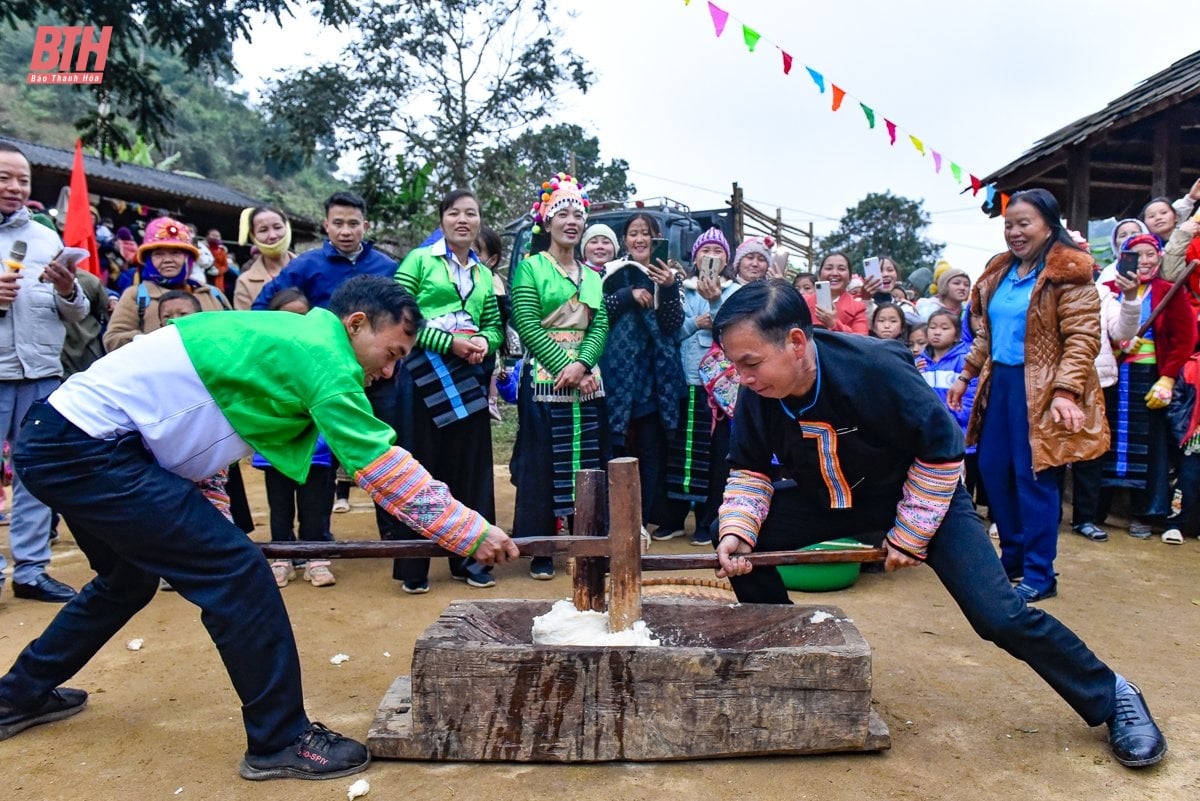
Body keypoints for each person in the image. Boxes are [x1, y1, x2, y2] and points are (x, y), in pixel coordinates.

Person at [0, 274, 519, 779]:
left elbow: (196, 441)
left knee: (126, 580)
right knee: (237, 574)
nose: (388, 373)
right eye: (393, 354)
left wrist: (211, 521)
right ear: (357, 324)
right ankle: (279, 739)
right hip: (86, 449)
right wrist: (469, 531)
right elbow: (378, 465)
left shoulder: (286, 337)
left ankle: (17, 697)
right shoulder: (321, 353)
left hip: (66, 440)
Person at [711, 278, 1167, 769]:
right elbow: (751, 469)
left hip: (924, 494)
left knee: (999, 615)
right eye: (737, 363)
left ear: (797, 342)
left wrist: (911, 533)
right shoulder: (758, 392)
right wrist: (737, 528)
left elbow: (943, 449)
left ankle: (1111, 694)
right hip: (833, 498)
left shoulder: (876, 367)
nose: (743, 375)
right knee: (742, 545)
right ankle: (791, 672)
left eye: (750, 362)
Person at [949, 188, 1108, 603]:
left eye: (1025, 223)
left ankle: (1040, 573)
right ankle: (1014, 560)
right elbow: (985, 333)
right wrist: (965, 375)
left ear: (1049, 225)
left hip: (1043, 389)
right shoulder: (1000, 272)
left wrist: (1066, 391)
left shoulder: (1070, 271)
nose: (1015, 232)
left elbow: (1083, 338)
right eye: (1009, 225)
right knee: (994, 469)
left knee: (1034, 477)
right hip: (1000, 384)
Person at [390, 189, 502, 593]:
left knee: (470, 469)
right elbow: (399, 317)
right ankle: (414, 567)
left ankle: (472, 559)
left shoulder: (485, 275)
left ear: (478, 222)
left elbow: (493, 324)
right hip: (422, 376)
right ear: (441, 220)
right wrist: (448, 343)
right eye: (454, 213)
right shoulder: (419, 261)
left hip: (468, 377)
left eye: (470, 213)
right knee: (420, 468)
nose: (463, 220)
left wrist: (485, 342)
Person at [0, 142, 90, 604]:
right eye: (4, 178)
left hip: (40, 374)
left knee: (36, 473)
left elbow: (76, 315)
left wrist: (68, 287)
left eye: (23, 181)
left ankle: (31, 570)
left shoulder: (45, 238)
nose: (15, 188)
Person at [510, 173, 608, 579]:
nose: (571, 221)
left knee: (588, 462)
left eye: (577, 215)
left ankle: (587, 542)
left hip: (588, 380)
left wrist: (582, 365)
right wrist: (562, 365)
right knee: (542, 464)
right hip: (545, 378)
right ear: (546, 222)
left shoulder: (593, 276)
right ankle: (542, 549)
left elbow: (599, 326)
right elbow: (527, 323)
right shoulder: (531, 268)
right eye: (562, 214)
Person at [1097, 234, 1196, 538]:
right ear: (1124, 258)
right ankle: (1097, 509)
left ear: (1160, 255)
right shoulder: (1108, 291)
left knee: (1149, 446)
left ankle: (1144, 512)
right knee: (1108, 441)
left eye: (1151, 253)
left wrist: (1167, 377)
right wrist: (1116, 347)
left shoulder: (1170, 291)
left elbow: (1185, 338)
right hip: (1114, 376)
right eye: (1136, 254)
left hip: (1150, 377)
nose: (1144, 260)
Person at [600, 212, 686, 540]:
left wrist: (665, 288)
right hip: (618, 378)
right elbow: (596, 311)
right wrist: (628, 296)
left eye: (646, 234)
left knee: (651, 451)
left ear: (656, 239)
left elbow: (672, 325)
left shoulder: (669, 276)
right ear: (625, 240)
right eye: (633, 233)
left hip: (655, 381)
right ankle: (618, 522)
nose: (639, 239)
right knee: (616, 448)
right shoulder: (613, 272)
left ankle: (643, 520)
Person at [657, 227, 740, 546]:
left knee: (715, 455)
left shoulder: (734, 291)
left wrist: (716, 303)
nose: (712, 256)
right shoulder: (682, 289)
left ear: (726, 260)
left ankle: (708, 521)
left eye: (719, 252)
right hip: (685, 379)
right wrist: (696, 322)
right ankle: (674, 518)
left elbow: (733, 334)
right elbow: (671, 332)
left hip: (720, 389)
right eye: (706, 251)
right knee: (679, 451)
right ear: (696, 258)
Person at [253, 288, 338, 588]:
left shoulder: (322, 354)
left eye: (302, 317)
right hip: (275, 446)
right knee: (280, 506)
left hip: (316, 448)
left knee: (314, 504)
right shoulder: (263, 357)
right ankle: (282, 558)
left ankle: (316, 558)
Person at [1068, 256, 1143, 542]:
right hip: (1053, 380)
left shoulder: (1102, 293)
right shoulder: (1044, 290)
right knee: (1051, 449)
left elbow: (1123, 332)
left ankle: (1085, 518)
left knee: (1091, 450)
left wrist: (1131, 297)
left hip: (1099, 381)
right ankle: (1047, 516)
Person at [103, 217, 232, 352]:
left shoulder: (212, 293)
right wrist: (155, 343)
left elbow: (234, 332)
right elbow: (112, 339)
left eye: (175, 253)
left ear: (187, 258)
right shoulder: (135, 296)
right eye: (159, 254)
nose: (168, 260)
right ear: (148, 259)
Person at [917, 309, 979, 505]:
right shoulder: (919, 361)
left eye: (944, 328)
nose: (937, 332)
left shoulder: (965, 360)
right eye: (932, 327)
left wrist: (951, 416)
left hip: (958, 431)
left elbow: (970, 398)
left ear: (957, 334)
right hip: (929, 433)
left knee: (962, 483)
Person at [233, 206, 294, 311]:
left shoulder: (310, 267)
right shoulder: (245, 282)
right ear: (253, 236)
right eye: (263, 230)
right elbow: (246, 323)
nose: (272, 235)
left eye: (278, 227)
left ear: (287, 228)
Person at [806, 252, 868, 334]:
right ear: (819, 275)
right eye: (829, 268)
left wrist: (834, 324)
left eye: (841, 269)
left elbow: (862, 341)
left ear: (849, 277)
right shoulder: (804, 302)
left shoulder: (858, 308)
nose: (834, 273)